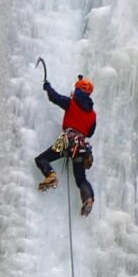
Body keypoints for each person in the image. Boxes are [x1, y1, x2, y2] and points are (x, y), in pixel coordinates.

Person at [35, 75, 97, 216]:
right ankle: (88, 199)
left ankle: (50, 175)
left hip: (67, 142)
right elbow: (90, 132)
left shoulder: (71, 103)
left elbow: (54, 97)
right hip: (81, 148)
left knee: (41, 159)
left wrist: (47, 86)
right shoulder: (93, 115)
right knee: (81, 179)